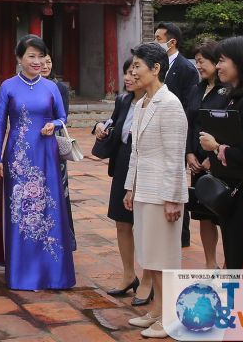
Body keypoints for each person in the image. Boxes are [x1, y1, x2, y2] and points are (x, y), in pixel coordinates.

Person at [0, 35, 75, 291]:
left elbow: (62, 117)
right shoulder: (8, 87)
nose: (37, 61)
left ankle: (52, 273)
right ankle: (22, 273)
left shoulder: (51, 87)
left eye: (40, 56)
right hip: (19, 159)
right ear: (19, 58)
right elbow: (1, 125)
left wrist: (53, 124)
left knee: (48, 210)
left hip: (46, 154)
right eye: (31, 56)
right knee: (21, 213)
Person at [123, 42, 188, 340]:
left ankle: (171, 316)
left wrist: (174, 198)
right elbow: (136, 152)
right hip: (144, 189)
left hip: (164, 193)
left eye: (138, 66)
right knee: (150, 255)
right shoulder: (141, 104)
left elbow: (175, 156)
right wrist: (129, 187)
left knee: (164, 259)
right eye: (133, 66)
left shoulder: (170, 104)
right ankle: (157, 309)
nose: (133, 71)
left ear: (156, 68)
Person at [92, 59, 153, 306]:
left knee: (146, 224)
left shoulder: (155, 101)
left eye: (133, 71)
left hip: (146, 165)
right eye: (126, 72)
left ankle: (149, 280)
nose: (128, 77)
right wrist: (100, 127)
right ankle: (129, 275)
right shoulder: (124, 100)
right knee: (122, 221)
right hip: (123, 161)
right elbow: (113, 123)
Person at [197, 36, 243, 269]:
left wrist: (215, 148)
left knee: (242, 256)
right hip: (230, 191)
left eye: (222, 60)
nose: (218, 66)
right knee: (233, 251)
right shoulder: (232, 96)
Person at [183, 41, 228, 269]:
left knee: (222, 215)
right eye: (197, 61)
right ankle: (210, 263)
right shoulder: (196, 89)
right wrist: (189, 153)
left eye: (203, 61)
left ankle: (229, 263)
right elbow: (190, 123)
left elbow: (229, 126)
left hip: (219, 159)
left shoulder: (228, 91)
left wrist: (213, 156)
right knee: (203, 213)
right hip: (197, 159)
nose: (198, 66)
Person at [154, 22, 198, 247]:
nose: (156, 42)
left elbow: (190, 107)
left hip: (177, 130)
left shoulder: (186, 68)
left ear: (172, 42)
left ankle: (183, 234)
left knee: (176, 182)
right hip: (158, 131)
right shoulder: (158, 65)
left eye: (159, 38)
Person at [41, 54, 76, 250]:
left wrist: (51, 125)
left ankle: (65, 239)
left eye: (49, 61)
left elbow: (63, 117)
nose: (45, 65)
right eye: (41, 61)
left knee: (59, 191)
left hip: (53, 142)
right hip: (34, 142)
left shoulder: (59, 87)